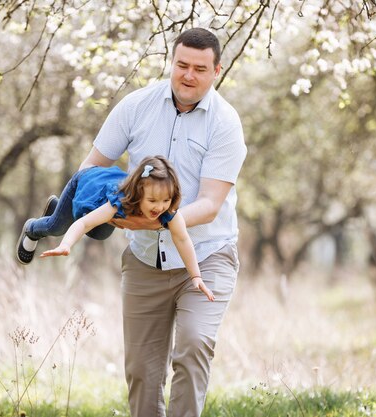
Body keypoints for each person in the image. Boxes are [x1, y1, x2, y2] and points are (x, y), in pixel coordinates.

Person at [79, 28, 246, 417]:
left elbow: (210, 204)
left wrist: (151, 221)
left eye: (200, 69)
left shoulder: (225, 123)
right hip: (143, 260)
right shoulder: (135, 106)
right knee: (141, 370)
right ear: (172, 62)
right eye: (182, 65)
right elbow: (89, 168)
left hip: (206, 257)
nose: (189, 76)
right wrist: (103, 205)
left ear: (216, 70)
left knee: (192, 347)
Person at [15, 156, 214, 301]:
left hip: (102, 207)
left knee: (100, 233)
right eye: (152, 200)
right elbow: (83, 223)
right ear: (138, 193)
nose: (159, 207)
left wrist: (195, 275)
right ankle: (33, 228)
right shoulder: (120, 200)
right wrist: (66, 244)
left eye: (165, 200)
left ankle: (58, 210)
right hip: (86, 185)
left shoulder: (169, 211)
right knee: (57, 227)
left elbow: (182, 239)